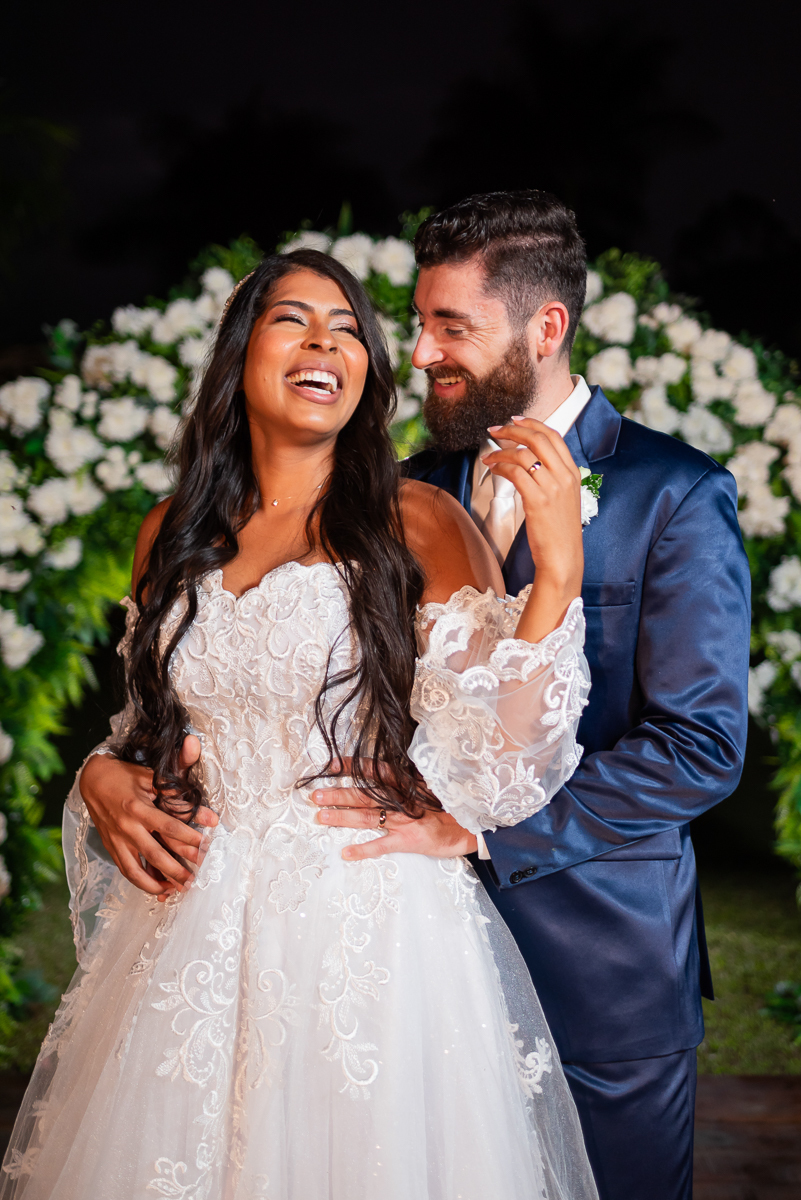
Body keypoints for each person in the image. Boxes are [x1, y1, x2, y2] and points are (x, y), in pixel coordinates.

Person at [1, 248, 599, 1199]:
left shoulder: (420, 521)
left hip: (364, 931)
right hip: (188, 934)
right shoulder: (169, 532)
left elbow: (499, 761)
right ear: (239, 355)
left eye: (350, 327)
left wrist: (555, 577)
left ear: (365, 375)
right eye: (293, 319)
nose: (326, 339)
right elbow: (155, 730)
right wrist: (99, 775)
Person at [319, 190, 750, 1200]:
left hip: (604, 977)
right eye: (420, 322)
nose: (421, 353)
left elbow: (701, 745)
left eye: (450, 326)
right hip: (416, 962)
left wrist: (479, 827)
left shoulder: (673, 493)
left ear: (545, 327)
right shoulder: (410, 492)